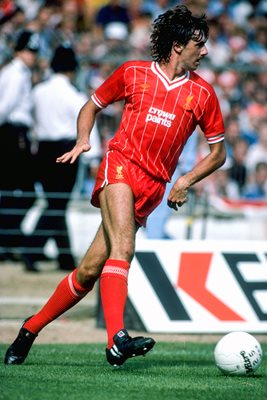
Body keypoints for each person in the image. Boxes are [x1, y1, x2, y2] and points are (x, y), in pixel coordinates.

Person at [4, 4, 226, 367]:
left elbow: (218, 154)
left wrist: (185, 179)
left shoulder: (203, 95)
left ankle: (30, 328)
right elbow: (91, 106)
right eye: (198, 44)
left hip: (153, 187)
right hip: (120, 166)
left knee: (90, 270)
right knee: (123, 248)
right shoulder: (133, 73)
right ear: (177, 45)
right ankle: (116, 340)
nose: (204, 51)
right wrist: (82, 140)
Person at [21, 44, 100, 272]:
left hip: (42, 150)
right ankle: (31, 249)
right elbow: (88, 123)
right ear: (72, 69)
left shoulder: (38, 92)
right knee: (58, 203)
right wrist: (93, 157)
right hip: (67, 150)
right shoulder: (74, 95)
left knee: (56, 202)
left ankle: (65, 258)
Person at [0, 29, 39, 262]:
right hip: (12, 134)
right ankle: (7, 238)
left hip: (15, 133)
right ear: (18, 51)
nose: (32, 55)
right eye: (28, 51)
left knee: (14, 190)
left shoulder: (17, 72)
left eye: (34, 51)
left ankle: (8, 238)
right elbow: (5, 107)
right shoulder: (16, 74)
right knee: (22, 191)